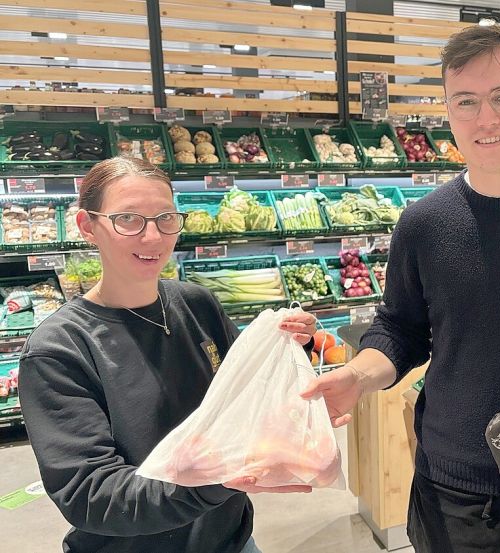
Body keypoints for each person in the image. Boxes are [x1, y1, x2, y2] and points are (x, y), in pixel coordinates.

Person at [302, 23, 500, 553]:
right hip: (451, 488)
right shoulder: (423, 224)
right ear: (448, 112)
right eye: (467, 102)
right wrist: (358, 377)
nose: (487, 119)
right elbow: (400, 329)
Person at [18, 157, 318, 553]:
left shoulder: (197, 303)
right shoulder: (58, 350)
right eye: (129, 219)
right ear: (87, 226)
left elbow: (247, 396)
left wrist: (293, 352)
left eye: (165, 218)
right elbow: (91, 494)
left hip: (230, 538)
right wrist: (218, 479)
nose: (153, 237)